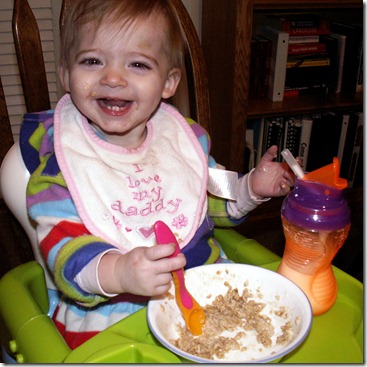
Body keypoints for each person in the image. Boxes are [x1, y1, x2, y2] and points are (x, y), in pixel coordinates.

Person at [20, 0, 296, 349]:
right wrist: (118, 272)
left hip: (202, 291)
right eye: (92, 61)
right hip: (114, 316)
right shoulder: (62, 166)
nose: (113, 78)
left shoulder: (180, 141)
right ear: (65, 75)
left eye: (137, 64)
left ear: (168, 83)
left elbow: (208, 197)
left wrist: (250, 187)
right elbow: (65, 253)